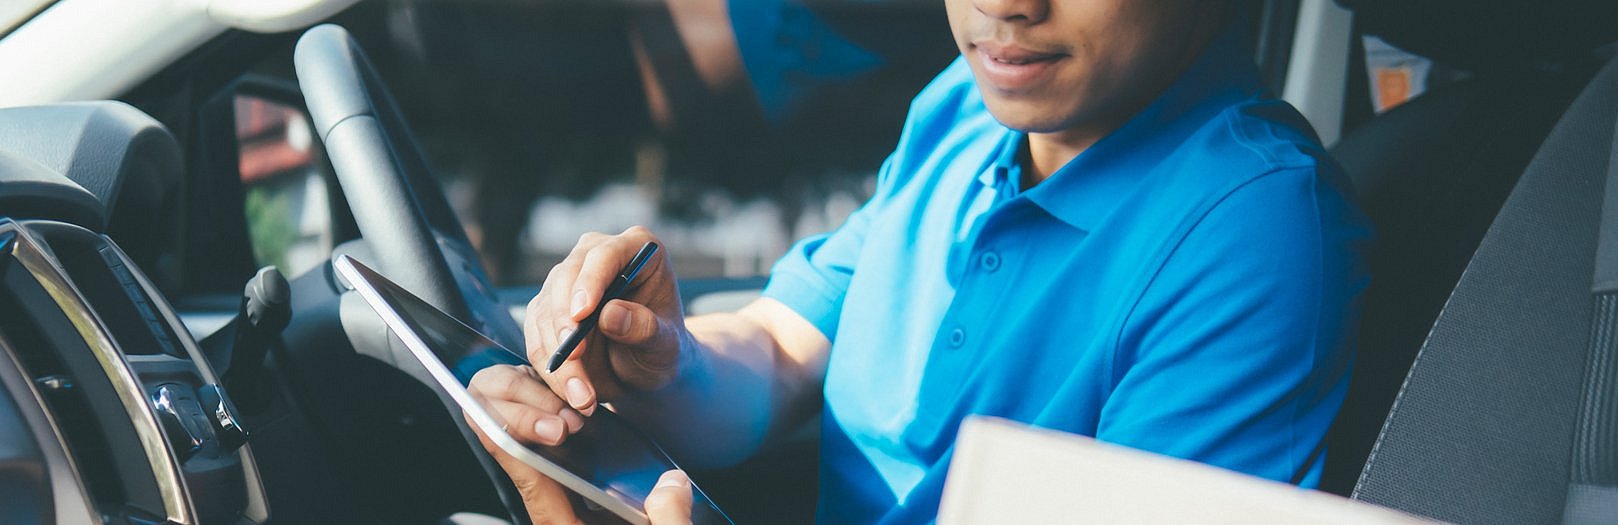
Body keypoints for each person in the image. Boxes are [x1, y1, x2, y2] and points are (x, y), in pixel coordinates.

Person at [467, 0, 1371, 522]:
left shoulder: (1254, 228)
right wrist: (662, 358)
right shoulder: (968, 113)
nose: (1004, 3)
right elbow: (786, 347)